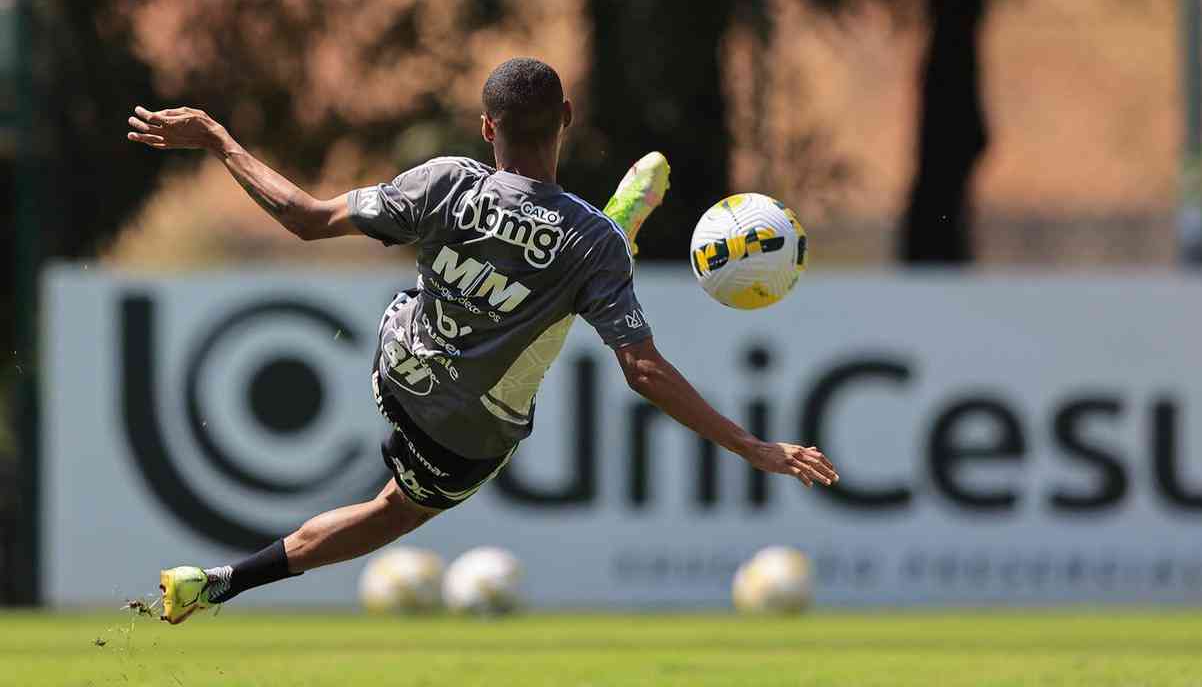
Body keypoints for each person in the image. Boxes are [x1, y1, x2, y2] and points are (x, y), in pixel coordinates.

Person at [126, 57, 839, 624]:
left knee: (516, 284)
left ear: (486, 126)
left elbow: (306, 217)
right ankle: (220, 584)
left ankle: (607, 236)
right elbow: (643, 370)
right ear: (565, 117)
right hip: (465, 435)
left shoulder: (446, 183)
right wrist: (753, 446)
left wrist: (220, 141)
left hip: (397, 367)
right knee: (395, 511)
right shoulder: (588, 243)